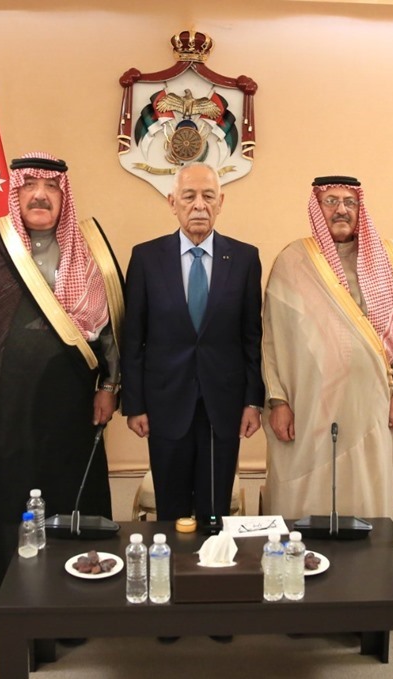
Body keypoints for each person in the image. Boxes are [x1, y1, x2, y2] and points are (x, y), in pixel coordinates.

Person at [0, 152, 123, 638]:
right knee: (4, 500)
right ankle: (3, 600)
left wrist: (109, 386)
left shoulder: (89, 245)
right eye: (30, 186)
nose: (40, 195)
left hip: (72, 403)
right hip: (2, 404)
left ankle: (77, 599)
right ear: (16, 191)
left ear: (64, 195)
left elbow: (114, 325)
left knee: (72, 498)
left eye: (50, 187)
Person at [262, 175, 393, 529]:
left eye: (350, 202)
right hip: (311, 404)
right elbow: (272, 338)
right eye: (331, 201)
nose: (341, 210)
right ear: (317, 208)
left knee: (368, 489)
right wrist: (278, 400)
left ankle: (370, 562)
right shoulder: (293, 261)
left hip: (372, 403)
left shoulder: (386, 258)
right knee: (310, 496)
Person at [122, 163, 263, 523]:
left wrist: (252, 401)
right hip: (164, 405)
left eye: (208, 196)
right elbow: (133, 337)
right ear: (173, 202)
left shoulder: (245, 259)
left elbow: (252, 337)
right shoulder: (146, 258)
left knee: (214, 515)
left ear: (220, 202)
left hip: (223, 407)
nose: (199, 205)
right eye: (189, 196)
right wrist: (134, 405)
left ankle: (213, 561)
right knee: (172, 516)